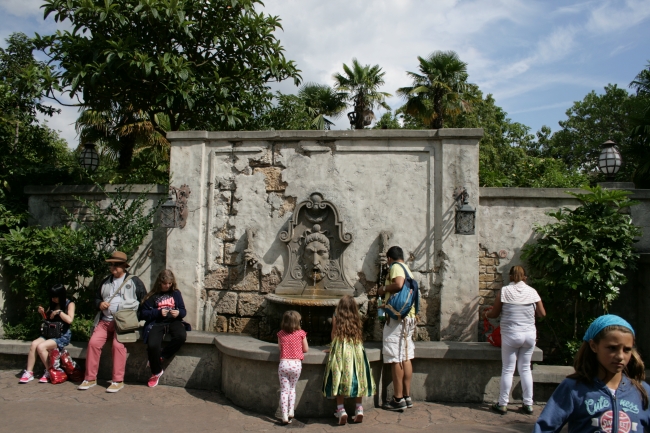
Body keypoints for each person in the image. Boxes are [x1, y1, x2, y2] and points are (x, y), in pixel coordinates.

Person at [534, 315, 650, 432]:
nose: (620, 356)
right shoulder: (574, 389)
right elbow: (544, 429)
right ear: (594, 346)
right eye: (612, 348)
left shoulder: (643, 392)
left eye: (627, 350)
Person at [78, 251, 146, 393]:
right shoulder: (105, 281)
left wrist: (136, 319)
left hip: (123, 324)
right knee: (93, 343)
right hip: (105, 321)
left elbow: (144, 300)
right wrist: (100, 304)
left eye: (116, 265)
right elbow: (96, 298)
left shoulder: (134, 281)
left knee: (118, 346)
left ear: (123, 266)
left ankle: (117, 380)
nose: (113, 268)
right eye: (111, 265)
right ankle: (90, 378)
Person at [485, 265, 545, 415]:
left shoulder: (505, 291)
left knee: (508, 369)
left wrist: (486, 314)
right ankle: (528, 404)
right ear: (525, 277)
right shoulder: (532, 292)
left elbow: (494, 314)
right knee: (525, 368)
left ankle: (503, 404)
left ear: (510, 277)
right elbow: (542, 313)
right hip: (529, 335)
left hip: (511, 334)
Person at [323, 295, 376, 425]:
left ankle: (341, 410)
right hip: (356, 348)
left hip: (341, 349)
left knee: (339, 377)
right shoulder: (356, 317)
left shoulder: (336, 316)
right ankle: (359, 409)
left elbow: (334, 333)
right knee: (359, 376)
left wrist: (332, 348)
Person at [377, 245, 416, 411]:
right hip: (409, 316)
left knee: (394, 357)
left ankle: (397, 398)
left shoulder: (395, 267)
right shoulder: (408, 269)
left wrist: (383, 289)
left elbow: (398, 284)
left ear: (389, 258)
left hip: (397, 318)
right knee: (405, 356)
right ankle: (407, 396)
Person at [139, 269, 188, 388]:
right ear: (160, 282)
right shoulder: (153, 296)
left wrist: (179, 313)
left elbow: (183, 310)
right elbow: (142, 314)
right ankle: (156, 372)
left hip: (173, 322)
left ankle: (161, 356)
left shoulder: (176, 293)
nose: (167, 286)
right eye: (165, 283)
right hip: (157, 323)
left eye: (169, 283)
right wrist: (158, 312)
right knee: (152, 345)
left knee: (181, 336)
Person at [19, 284, 75, 384]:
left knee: (41, 347)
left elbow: (70, 320)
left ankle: (50, 371)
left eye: (55, 297)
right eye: (52, 297)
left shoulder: (69, 304)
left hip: (62, 335)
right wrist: (42, 313)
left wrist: (59, 312)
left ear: (61, 295)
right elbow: (48, 320)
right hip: (50, 333)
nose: (53, 299)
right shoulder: (53, 304)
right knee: (34, 344)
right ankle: (29, 372)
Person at [276, 310, 308, 424]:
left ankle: (284, 415)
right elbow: (306, 349)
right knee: (292, 388)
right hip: (296, 365)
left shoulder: (280, 334)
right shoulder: (301, 333)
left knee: (284, 390)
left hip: (284, 364)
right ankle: (291, 411)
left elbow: (280, 348)